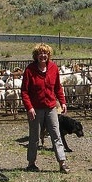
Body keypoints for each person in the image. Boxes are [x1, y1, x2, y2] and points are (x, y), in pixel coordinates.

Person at [21, 43, 70, 173]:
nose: (43, 56)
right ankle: (31, 163)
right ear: (36, 56)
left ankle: (62, 162)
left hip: (50, 107)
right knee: (34, 136)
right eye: (40, 53)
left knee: (56, 134)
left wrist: (62, 101)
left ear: (49, 55)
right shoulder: (30, 70)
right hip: (35, 109)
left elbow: (58, 87)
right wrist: (29, 107)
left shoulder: (53, 68)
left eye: (45, 53)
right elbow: (24, 91)